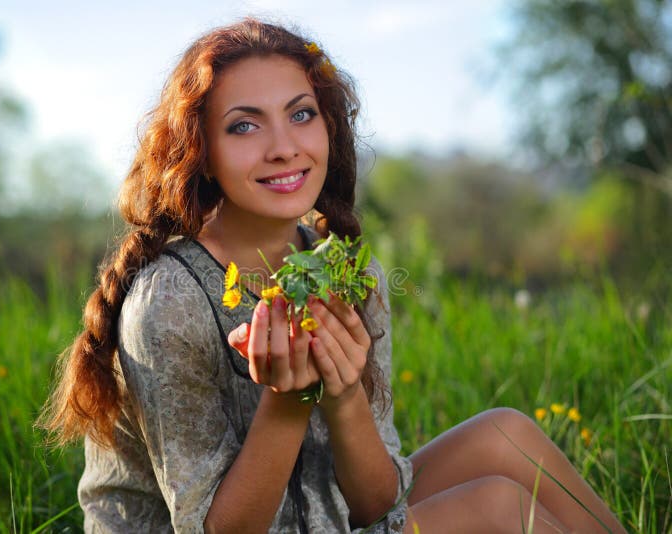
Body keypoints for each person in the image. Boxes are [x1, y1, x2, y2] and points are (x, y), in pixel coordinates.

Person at [40, 18, 626, 533]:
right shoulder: (171, 299)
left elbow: (375, 503)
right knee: (498, 508)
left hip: (318, 513)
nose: (284, 147)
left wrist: (345, 398)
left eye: (301, 114)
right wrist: (289, 401)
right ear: (201, 152)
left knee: (508, 435)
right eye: (245, 126)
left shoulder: (346, 272)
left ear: (329, 128)